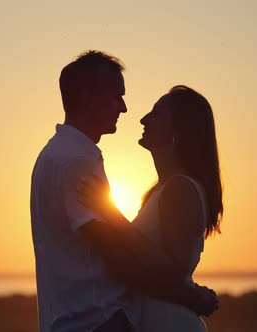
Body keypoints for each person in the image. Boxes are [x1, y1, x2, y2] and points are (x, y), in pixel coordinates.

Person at [30, 50, 218, 332]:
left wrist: (112, 214)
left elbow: (137, 256)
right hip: (95, 323)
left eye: (155, 113)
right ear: (87, 98)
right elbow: (117, 256)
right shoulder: (76, 159)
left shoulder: (62, 154)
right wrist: (191, 296)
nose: (127, 110)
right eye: (117, 96)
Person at [77, 85, 224, 331]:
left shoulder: (180, 188)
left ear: (179, 129)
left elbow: (173, 270)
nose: (144, 119)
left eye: (156, 113)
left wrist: (112, 215)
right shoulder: (162, 190)